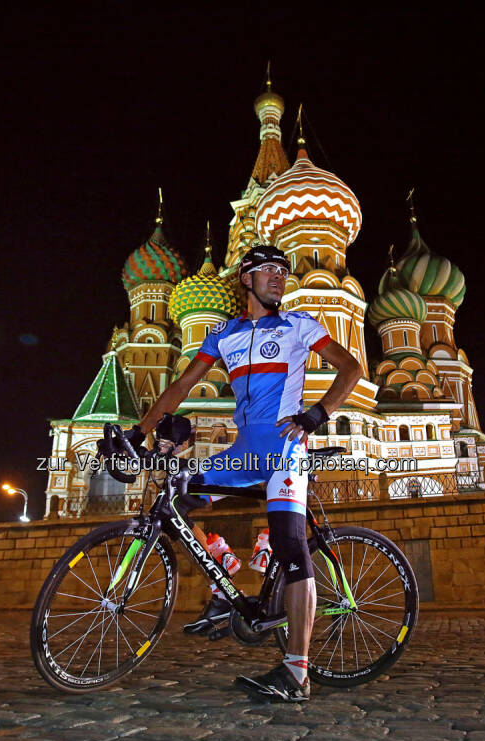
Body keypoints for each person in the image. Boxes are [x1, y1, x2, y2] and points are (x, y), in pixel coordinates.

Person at [123, 244, 362, 702]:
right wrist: (141, 430)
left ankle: (296, 673)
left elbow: (351, 369)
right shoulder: (223, 334)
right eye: (269, 270)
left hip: (286, 451)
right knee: (174, 499)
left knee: (292, 548)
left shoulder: (299, 326)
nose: (279, 277)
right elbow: (181, 385)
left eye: (283, 271)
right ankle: (225, 580)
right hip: (244, 453)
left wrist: (318, 414)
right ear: (246, 279)